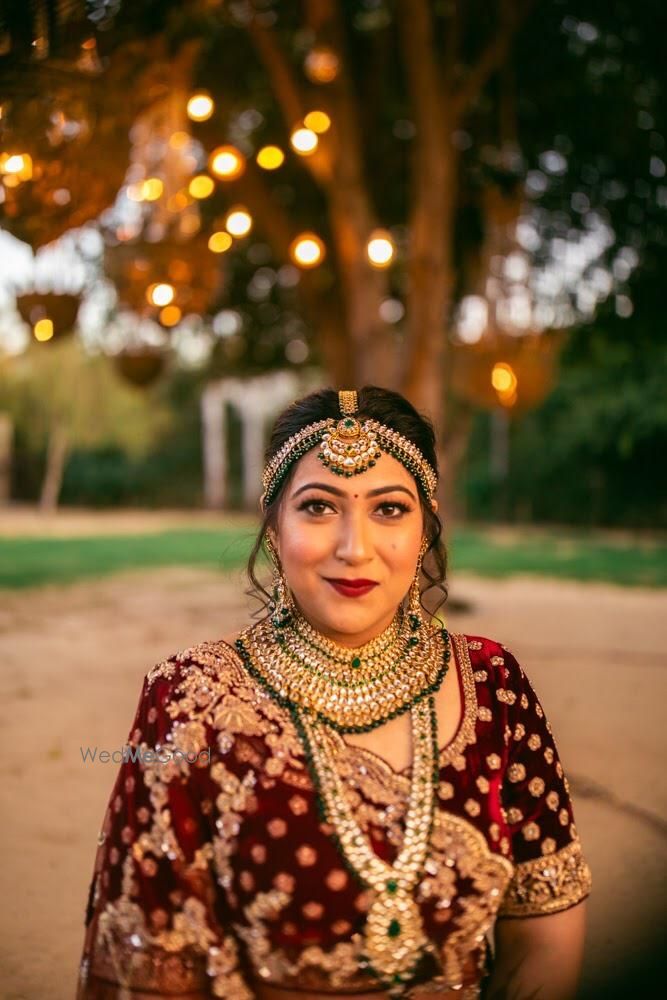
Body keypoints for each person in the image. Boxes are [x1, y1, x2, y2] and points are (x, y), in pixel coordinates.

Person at [76, 386, 591, 1000]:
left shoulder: (493, 685)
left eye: (390, 510)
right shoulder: (190, 701)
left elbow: (542, 944)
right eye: (318, 507)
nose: (354, 548)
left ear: (425, 530)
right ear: (273, 529)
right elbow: (149, 967)